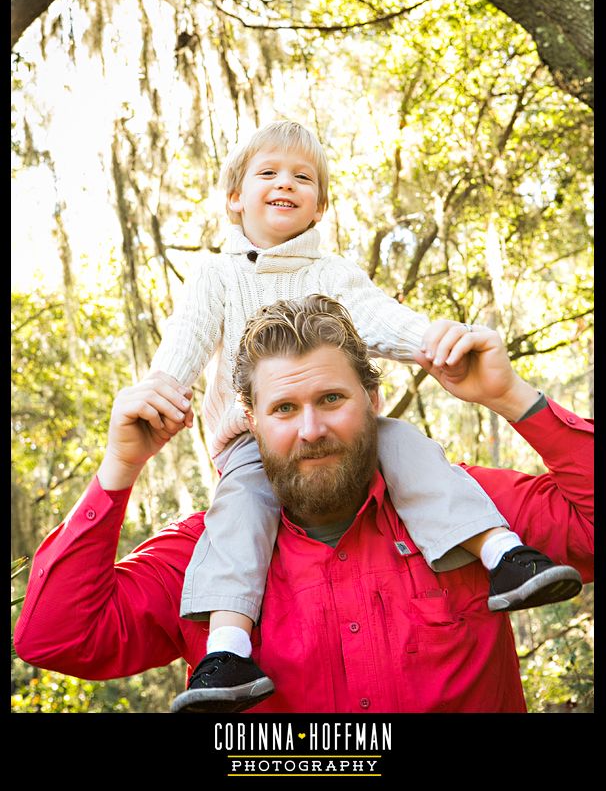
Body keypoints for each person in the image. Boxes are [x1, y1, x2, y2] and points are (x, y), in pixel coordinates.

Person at [144, 120, 579, 710]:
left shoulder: (336, 275)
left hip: (354, 433)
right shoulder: (214, 275)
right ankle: (226, 649)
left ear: (320, 205)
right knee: (240, 511)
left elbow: (385, 321)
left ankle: (504, 554)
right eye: (267, 173)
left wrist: (440, 342)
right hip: (253, 445)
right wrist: (160, 391)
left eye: (303, 177)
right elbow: (186, 343)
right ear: (234, 198)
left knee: (408, 447)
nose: (285, 184)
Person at [14, 295, 591, 714]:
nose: (311, 429)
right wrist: (119, 470)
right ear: (253, 423)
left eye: (332, 398)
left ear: (373, 400)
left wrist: (511, 397)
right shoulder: (203, 555)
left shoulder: (466, 507)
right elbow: (57, 635)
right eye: (284, 409)